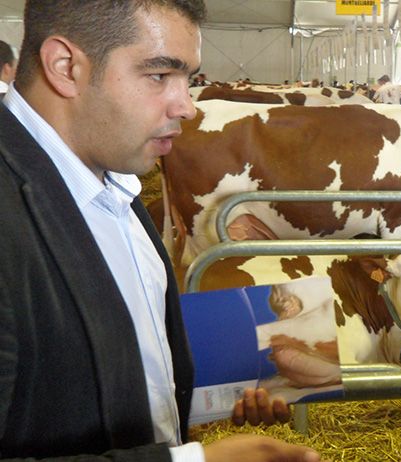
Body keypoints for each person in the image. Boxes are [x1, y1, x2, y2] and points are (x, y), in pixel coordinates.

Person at [0, 1, 321, 460]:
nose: (187, 107)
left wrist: (225, 389)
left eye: (188, 78)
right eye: (158, 76)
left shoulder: (113, 184)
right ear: (65, 67)